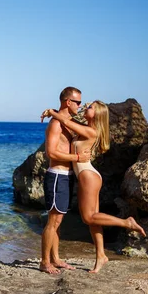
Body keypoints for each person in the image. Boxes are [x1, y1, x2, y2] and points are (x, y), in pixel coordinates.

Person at [42, 100, 146, 273]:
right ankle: (101, 256)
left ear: (97, 114)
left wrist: (51, 112)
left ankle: (126, 222)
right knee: (94, 220)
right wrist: (56, 112)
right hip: (88, 174)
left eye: (90, 107)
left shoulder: (91, 131)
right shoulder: (85, 127)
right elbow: (68, 121)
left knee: (89, 218)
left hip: (88, 176)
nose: (85, 107)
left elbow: (66, 121)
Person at [39, 87, 92, 275]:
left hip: (66, 177)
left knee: (59, 221)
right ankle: (45, 262)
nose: (80, 105)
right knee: (53, 221)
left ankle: (55, 258)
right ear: (68, 102)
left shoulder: (67, 122)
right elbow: (51, 152)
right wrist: (77, 159)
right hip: (56, 177)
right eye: (77, 102)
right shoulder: (55, 124)